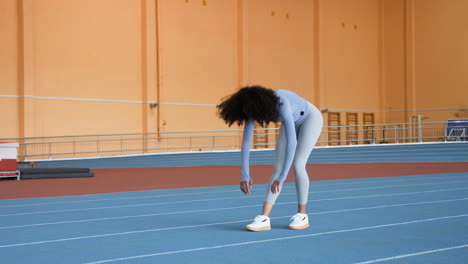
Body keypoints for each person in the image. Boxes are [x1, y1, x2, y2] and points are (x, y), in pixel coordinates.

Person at [217, 85, 323, 231]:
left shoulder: (281, 103)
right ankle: (264, 218)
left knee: (298, 165)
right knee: (277, 168)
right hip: (291, 121)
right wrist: (244, 176)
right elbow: (246, 143)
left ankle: (302, 215)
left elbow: (292, 142)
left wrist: (283, 177)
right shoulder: (251, 109)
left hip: (311, 118)